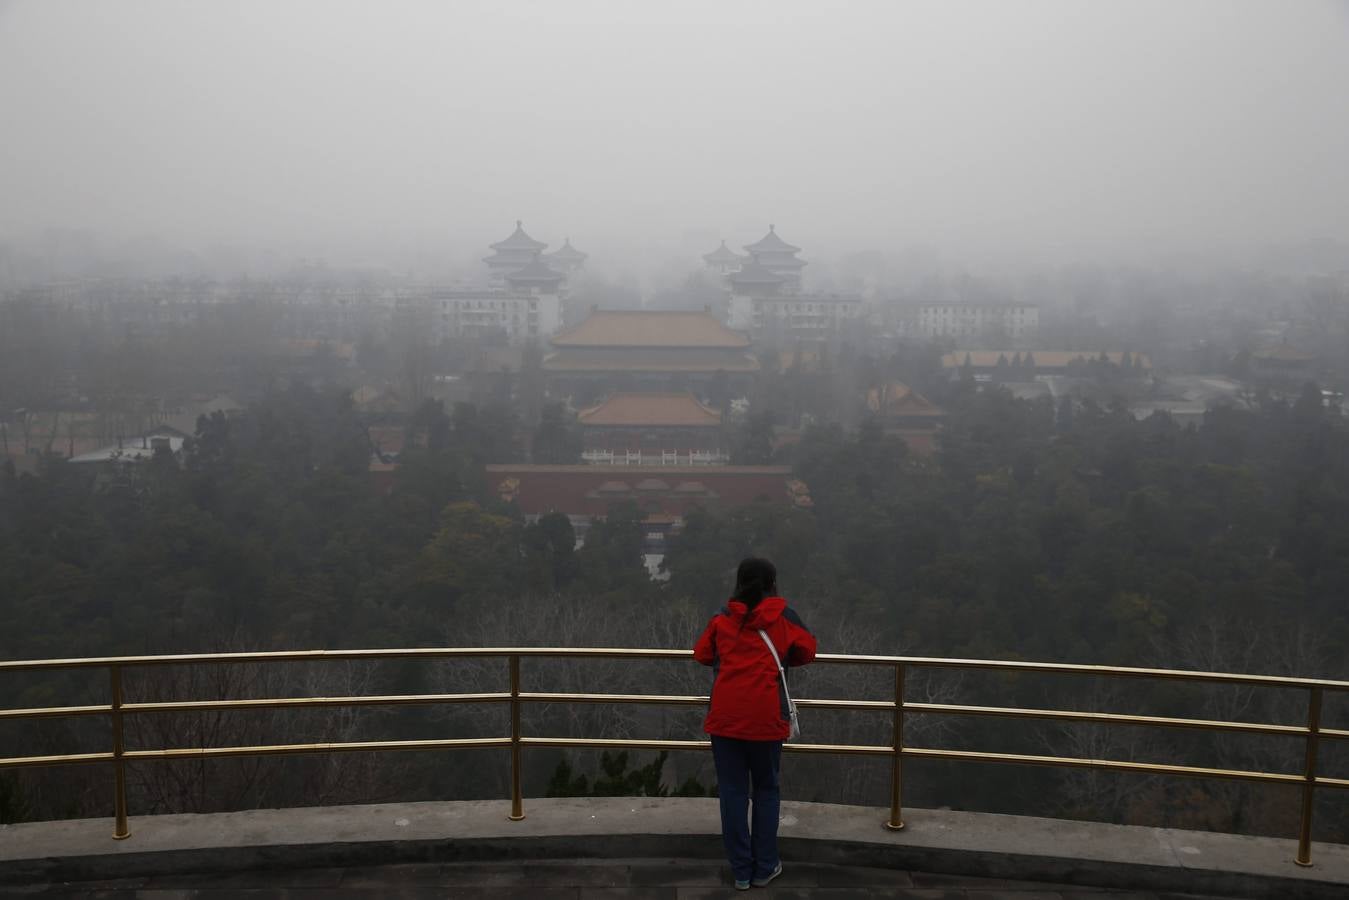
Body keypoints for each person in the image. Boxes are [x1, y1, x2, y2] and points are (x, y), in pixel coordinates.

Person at [693, 557, 817, 891]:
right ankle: (765, 866)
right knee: (766, 789)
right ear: (772, 583)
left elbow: (702, 654)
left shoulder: (723, 617)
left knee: (732, 793)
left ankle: (741, 871)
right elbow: (808, 651)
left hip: (726, 719)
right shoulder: (783, 616)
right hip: (765, 719)